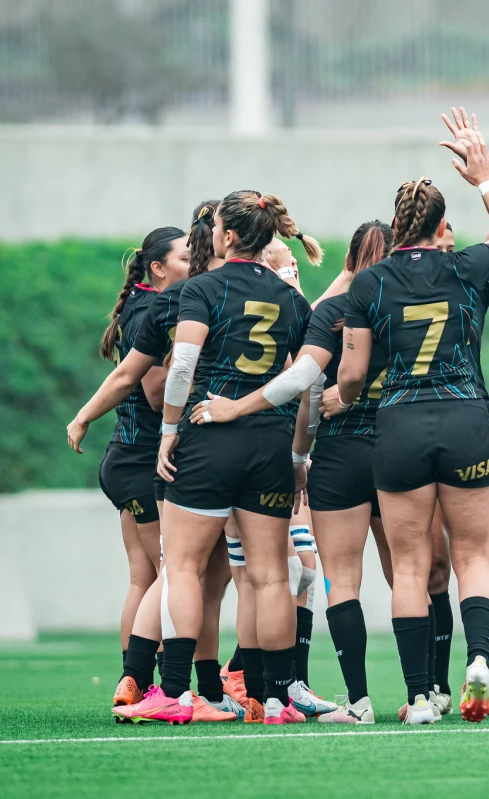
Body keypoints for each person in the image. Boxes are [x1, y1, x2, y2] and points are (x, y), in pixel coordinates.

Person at [330, 109, 489, 724]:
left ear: (394, 229)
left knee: (411, 566)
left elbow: (352, 375)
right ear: (443, 227)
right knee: (472, 560)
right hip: (466, 419)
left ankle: (419, 697)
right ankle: (479, 662)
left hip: (400, 426)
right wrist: (484, 177)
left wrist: (341, 396)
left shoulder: (369, 284)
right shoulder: (466, 266)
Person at [113, 189, 319, 726]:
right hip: (270, 445)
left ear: (226, 236)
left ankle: (176, 695)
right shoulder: (291, 297)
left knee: (182, 565)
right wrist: (299, 455)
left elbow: (182, 366)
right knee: (271, 577)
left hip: (208, 437)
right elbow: (310, 381)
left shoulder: (201, 287)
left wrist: (168, 432)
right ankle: (276, 701)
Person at [193, 219, 395, 724]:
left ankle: (276, 686)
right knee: (234, 574)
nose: (289, 277)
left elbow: (309, 363)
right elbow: (306, 372)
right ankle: (233, 682)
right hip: (263, 443)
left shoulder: (291, 303)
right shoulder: (232, 297)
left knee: (289, 571)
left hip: (273, 443)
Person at [425, 144, 489, 717]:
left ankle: (478, 667)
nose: (450, 242)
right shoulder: (400, 280)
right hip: (428, 427)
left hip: (472, 425)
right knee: (434, 566)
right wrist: (487, 181)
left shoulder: (467, 276)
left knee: (487, 558)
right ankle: (432, 684)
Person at [86, 227, 187, 685]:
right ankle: (154, 683)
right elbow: (155, 392)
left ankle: (134, 685)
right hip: (142, 461)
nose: (194, 262)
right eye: (185, 257)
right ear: (158, 268)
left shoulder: (143, 302)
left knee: (143, 578)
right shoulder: (154, 308)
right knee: (171, 574)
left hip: (125, 458)